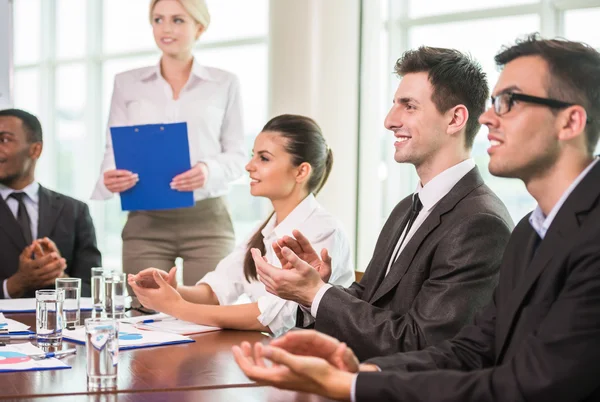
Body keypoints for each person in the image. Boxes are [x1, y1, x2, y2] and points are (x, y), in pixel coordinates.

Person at [233, 34, 600, 402]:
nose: (488, 117)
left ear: (570, 123)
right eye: (492, 103)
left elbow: (532, 381)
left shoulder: (495, 224)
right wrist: (359, 373)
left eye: (510, 102)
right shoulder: (528, 230)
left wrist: (345, 367)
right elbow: (472, 350)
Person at [252, 47, 513, 359]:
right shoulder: (408, 207)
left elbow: (421, 345)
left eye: (409, 106)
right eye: (394, 105)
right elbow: (370, 299)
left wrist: (317, 293)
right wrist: (315, 289)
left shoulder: (480, 224)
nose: (390, 121)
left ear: (455, 118)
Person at [128, 115, 354, 336]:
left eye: (263, 158)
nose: (249, 166)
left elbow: (269, 317)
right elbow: (217, 290)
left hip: (315, 360)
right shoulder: (263, 229)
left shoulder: (323, 230)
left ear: (301, 171)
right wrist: (171, 290)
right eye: (252, 156)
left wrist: (177, 306)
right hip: (272, 354)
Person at [91, 0, 245, 289]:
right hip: (145, 219)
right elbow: (113, 148)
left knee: (210, 313)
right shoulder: (127, 83)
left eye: (177, 20)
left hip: (208, 219)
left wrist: (208, 170)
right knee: (144, 312)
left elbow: (237, 155)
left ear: (199, 27)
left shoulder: (224, 83)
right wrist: (111, 175)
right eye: (158, 19)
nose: (165, 28)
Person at [0, 109, 101, 298]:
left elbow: (93, 289)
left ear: (35, 149)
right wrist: (13, 285)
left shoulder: (74, 211)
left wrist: (59, 276)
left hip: (62, 324)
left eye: (4, 140)